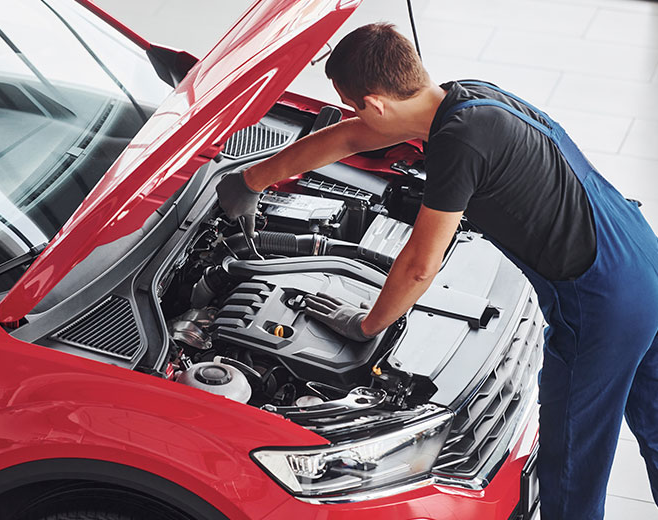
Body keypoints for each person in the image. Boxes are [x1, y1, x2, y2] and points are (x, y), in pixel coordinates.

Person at [215, 22, 658, 520]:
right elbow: (351, 135)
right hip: (641, 256)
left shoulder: (458, 144)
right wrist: (251, 180)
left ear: (376, 103)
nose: (354, 116)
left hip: (602, 304)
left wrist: (365, 324)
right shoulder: (468, 98)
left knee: (572, 467)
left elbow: (419, 266)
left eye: (353, 105)